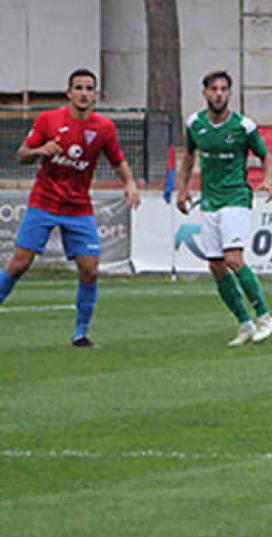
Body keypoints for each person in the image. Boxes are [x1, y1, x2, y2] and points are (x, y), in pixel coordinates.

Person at [0, 68, 139, 347]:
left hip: (78, 207)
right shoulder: (49, 120)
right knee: (18, 265)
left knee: (90, 269)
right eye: (79, 88)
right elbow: (23, 154)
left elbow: (117, 160)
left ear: (95, 96)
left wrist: (130, 184)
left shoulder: (104, 128)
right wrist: (40, 151)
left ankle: (81, 333)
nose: (84, 93)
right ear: (69, 93)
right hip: (44, 201)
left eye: (90, 89)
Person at [178, 70, 272, 346]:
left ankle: (265, 317)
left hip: (236, 198)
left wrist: (268, 180)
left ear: (229, 94)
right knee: (216, 266)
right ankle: (244, 322)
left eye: (223, 89)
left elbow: (266, 156)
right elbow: (188, 156)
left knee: (233, 259)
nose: (219, 94)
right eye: (214, 89)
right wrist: (183, 189)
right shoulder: (194, 124)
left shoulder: (243, 126)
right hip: (209, 200)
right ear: (205, 93)